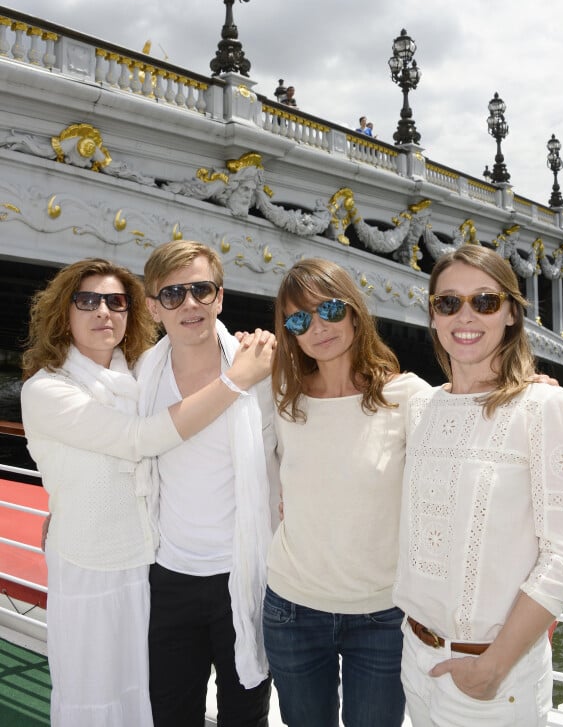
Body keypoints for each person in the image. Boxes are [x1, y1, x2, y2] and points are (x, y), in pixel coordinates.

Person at [20, 258, 274, 727]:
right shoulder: (47, 391)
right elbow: (140, 440)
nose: (103, 312)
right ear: (64, 313)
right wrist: (236, 380)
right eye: (87, 301)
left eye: (115, 301)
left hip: (146, 569)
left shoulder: (135, 374)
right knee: (94, 694)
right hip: (93, 569)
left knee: (147, 702)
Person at [393, 244, 563, 727]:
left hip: (493, 677)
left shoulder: (546, 408)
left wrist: (493, 668)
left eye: (485, 301)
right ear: (433, 316)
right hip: (416, 657)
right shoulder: (420, 409)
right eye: (448, 302)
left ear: (512, 314)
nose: (465, 315)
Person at [262, 257, 430, 727]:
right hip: (292, 610)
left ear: (355, 311)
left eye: (330, 310)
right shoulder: (281, 398)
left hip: (381, 617)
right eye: (299, 319)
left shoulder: (409, 397)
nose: (318, 327)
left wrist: (534, 390)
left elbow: (474, 438)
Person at [141, 240, 278, 727]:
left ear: (220, 297)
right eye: (173, 294)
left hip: (243, 575)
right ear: (154, 307)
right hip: (167, 578)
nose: (190, 304)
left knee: (246, 716)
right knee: (170, 715)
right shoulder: (140, 377)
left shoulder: (262, 367)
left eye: (201, 290)